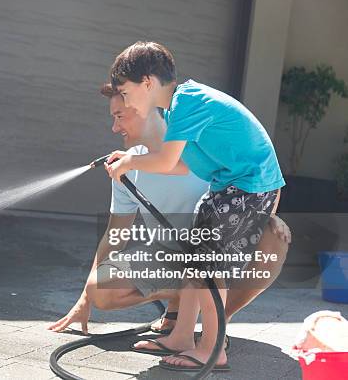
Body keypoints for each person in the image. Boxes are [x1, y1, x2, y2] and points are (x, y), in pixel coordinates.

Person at [48, 82, 291, 340]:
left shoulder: (198, 147)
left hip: (219, 251)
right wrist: (85, 300)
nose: (115, 128)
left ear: (143, 107)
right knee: (102, 288)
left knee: (273, 240)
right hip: (171, 255)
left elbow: (256, 180)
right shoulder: (127, 167)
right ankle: (179, 310)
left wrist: (265, 214)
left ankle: (217, 325)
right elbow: (114, 234)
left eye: (120, 117)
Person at [104, 41, 286, 371]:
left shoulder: (188, 103)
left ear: (147, 83)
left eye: (127, 92)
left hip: (250, 186)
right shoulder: (176, 109)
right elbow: (182, 165)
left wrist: (131, 161)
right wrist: (132, 160)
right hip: (229, 185)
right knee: (195, 259)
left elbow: (167, 159)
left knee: (209, 267)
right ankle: (182, 336)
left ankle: (214, 348)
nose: (126, 100)